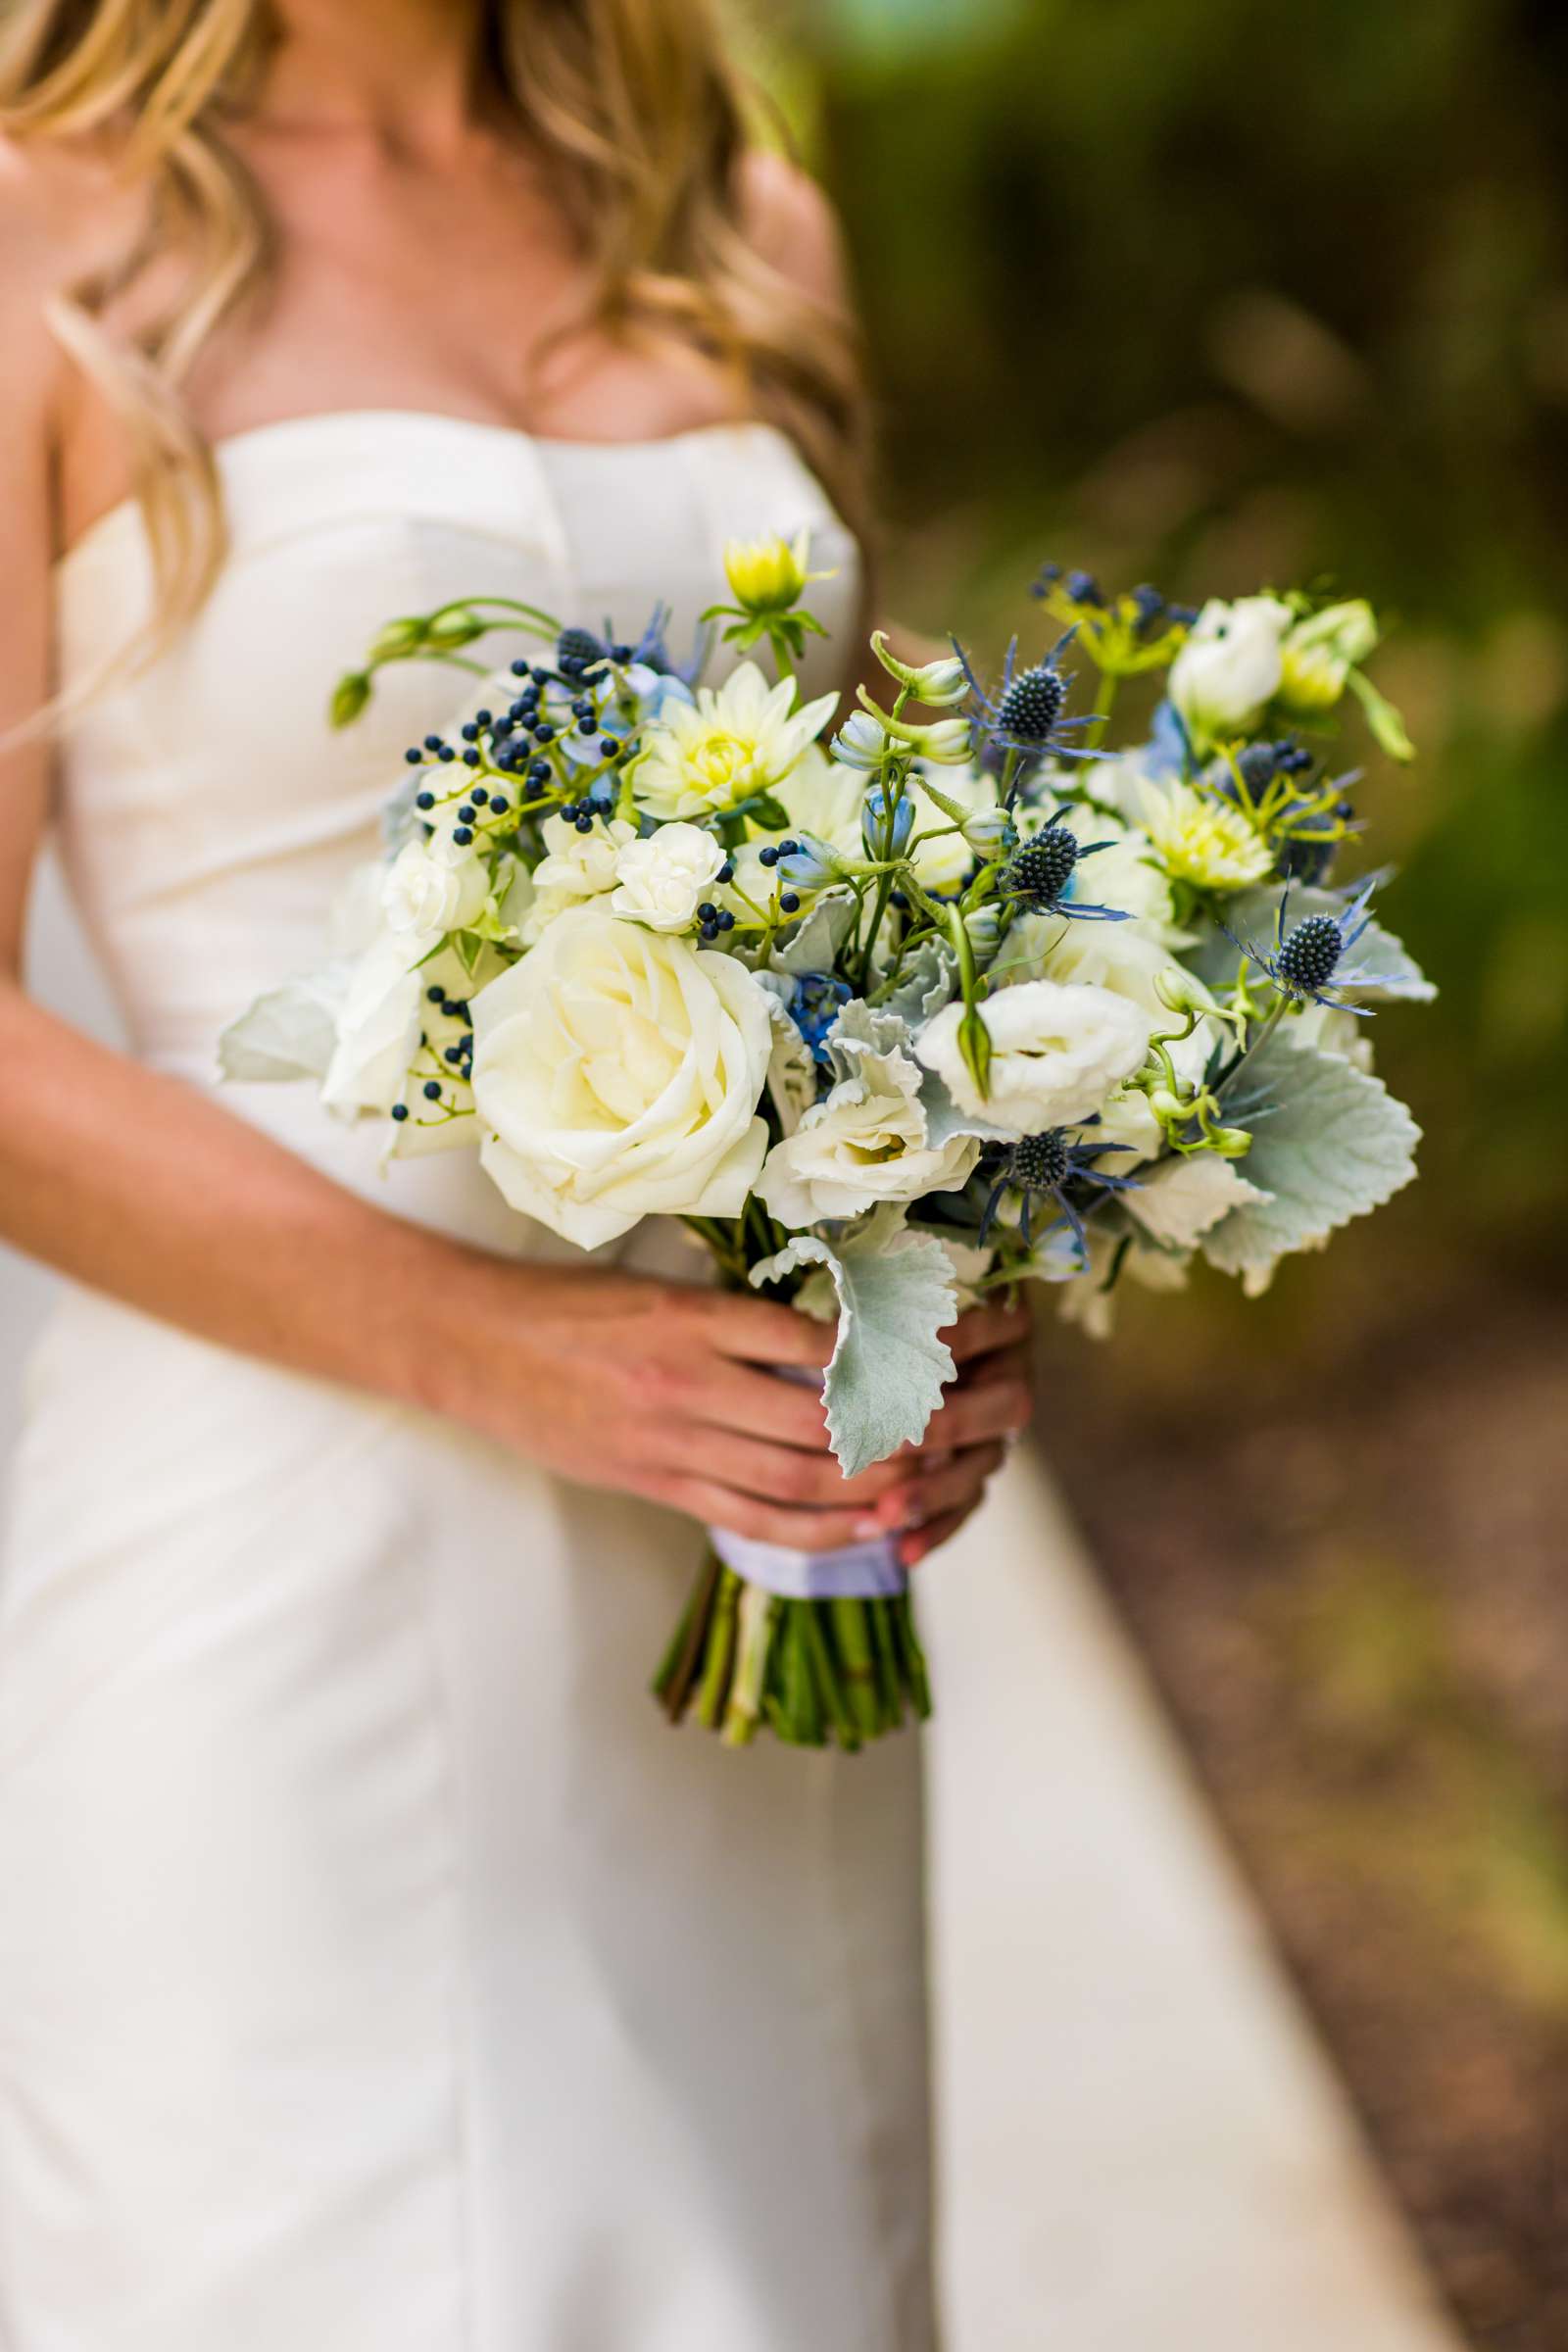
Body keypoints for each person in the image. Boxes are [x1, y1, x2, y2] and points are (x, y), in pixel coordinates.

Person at [0, 4, 1033, 2345]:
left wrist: (942, 1285)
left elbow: (878, 884)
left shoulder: (735, 215)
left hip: (755, 1562)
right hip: (281, 1563)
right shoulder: (37, 222)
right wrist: (514, 1352)